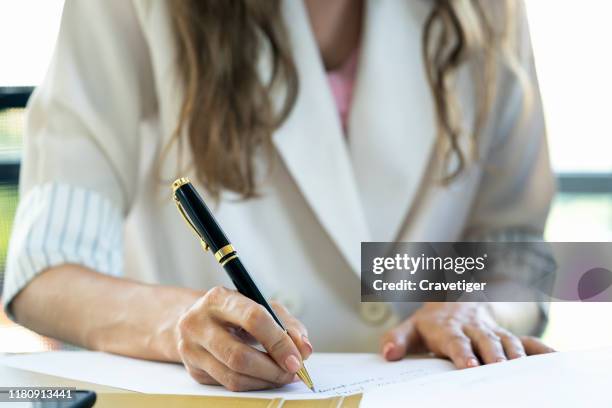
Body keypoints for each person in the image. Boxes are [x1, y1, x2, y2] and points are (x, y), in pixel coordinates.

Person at [3, 0, 555, 392]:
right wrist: (179, 324)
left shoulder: (489, 11)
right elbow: (43, 272)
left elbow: (522, 248)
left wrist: (468, 303)